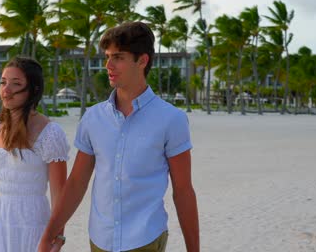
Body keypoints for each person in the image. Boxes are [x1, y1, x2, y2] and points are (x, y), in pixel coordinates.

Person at [39, 22, 199, 252]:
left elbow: (183, 190)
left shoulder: (171, 119)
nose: (108, 65)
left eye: (118, 57)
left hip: (145, 239)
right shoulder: (93, 118)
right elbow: (76, 183)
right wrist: (49, 235)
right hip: (99, 240)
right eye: (107, 56)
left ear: (142, 61)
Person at [0, 56, 69, 252]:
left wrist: (57, 236)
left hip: (30, 220)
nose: (6, 90)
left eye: (16, 84)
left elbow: (59, 193)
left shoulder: (50, 133)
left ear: (33, 89)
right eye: (3, 82)